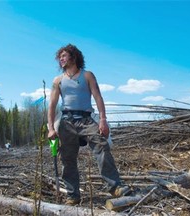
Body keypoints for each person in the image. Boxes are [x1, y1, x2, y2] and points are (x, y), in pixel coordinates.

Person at [47, 44, 129, 205]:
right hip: (66, 121)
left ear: (73, 57)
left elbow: (98, 97)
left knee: (102, 145)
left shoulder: (88, 75)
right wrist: (50, 128)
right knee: (67, 158)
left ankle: (114, 187)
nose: (61, 59)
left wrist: (103, 120)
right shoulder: (58, 81)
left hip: (86, 119)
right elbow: (52, 105)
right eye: (60, 57)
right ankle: (73, 195)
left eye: (64, 56)